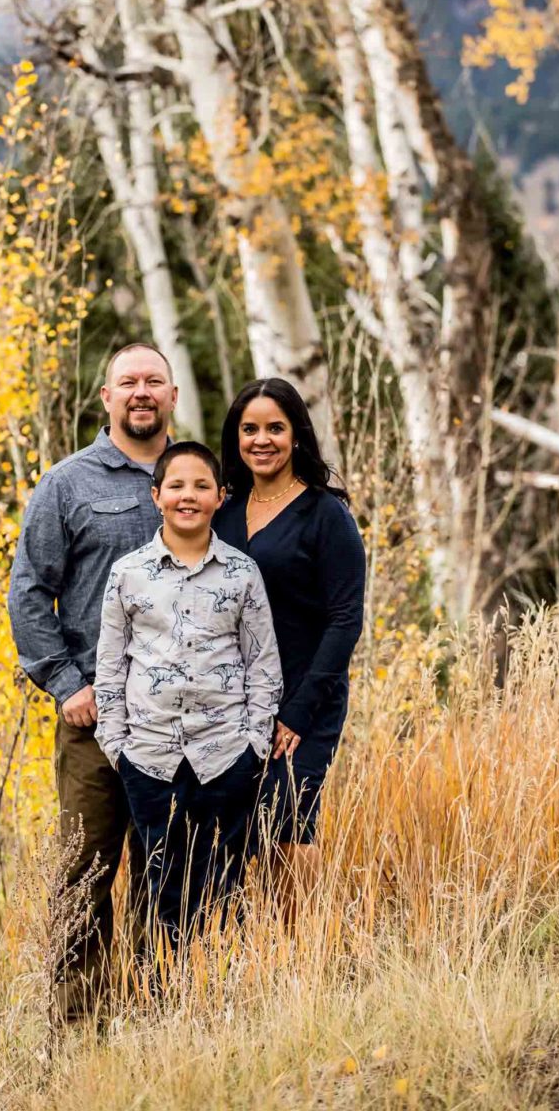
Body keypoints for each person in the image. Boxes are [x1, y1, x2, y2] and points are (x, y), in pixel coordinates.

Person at [7, 343, 178, 1025]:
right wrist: (65, 683)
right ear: (105, 398)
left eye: (153, 382)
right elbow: (27, 593)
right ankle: (79, 1032)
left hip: (183, 719)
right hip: (95, 719)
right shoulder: (68, 484)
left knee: (172, 872)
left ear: (172, 396)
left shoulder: (197, 478)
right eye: (127, 382)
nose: (141, 392)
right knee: (85, 873)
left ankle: (160, 1019)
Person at [94, 442, 283, 942]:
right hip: (149, 756)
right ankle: (161, 1003)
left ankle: (220, 1003)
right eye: (176, 485)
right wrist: (118, 749)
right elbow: (110, 667)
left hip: (225, 755)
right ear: (156, 495)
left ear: (220, 497)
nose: (188, 496)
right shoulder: (128, 573)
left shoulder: (242, 573)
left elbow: (263, 663)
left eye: (201, 486)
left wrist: (254, 745)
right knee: (160, 889)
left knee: (224, 885)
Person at [213, 378, 366, 908]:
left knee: (289, 827)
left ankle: (302, 964)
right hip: (232, 701)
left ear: (296, 435)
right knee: (238, 831)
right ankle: (252, 962)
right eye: (249, 429)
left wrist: (298, 713)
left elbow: (345, 621)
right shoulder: (223, 512)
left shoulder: (326, 514)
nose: (262, 440)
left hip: (305, 698)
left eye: (274, 428)